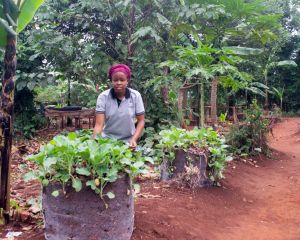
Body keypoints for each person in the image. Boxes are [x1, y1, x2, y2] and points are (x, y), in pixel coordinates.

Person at [92, 64, 145, 150]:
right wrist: (94, 143)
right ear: (111, 81)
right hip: (107, 142)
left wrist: (134, 139)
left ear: (127, 81)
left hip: (128, 142)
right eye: (115, 80)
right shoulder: (103, 97)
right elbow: (99, 124)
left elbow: (141, 121)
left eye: (122, 80)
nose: (119, 83)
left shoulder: (135, 96)